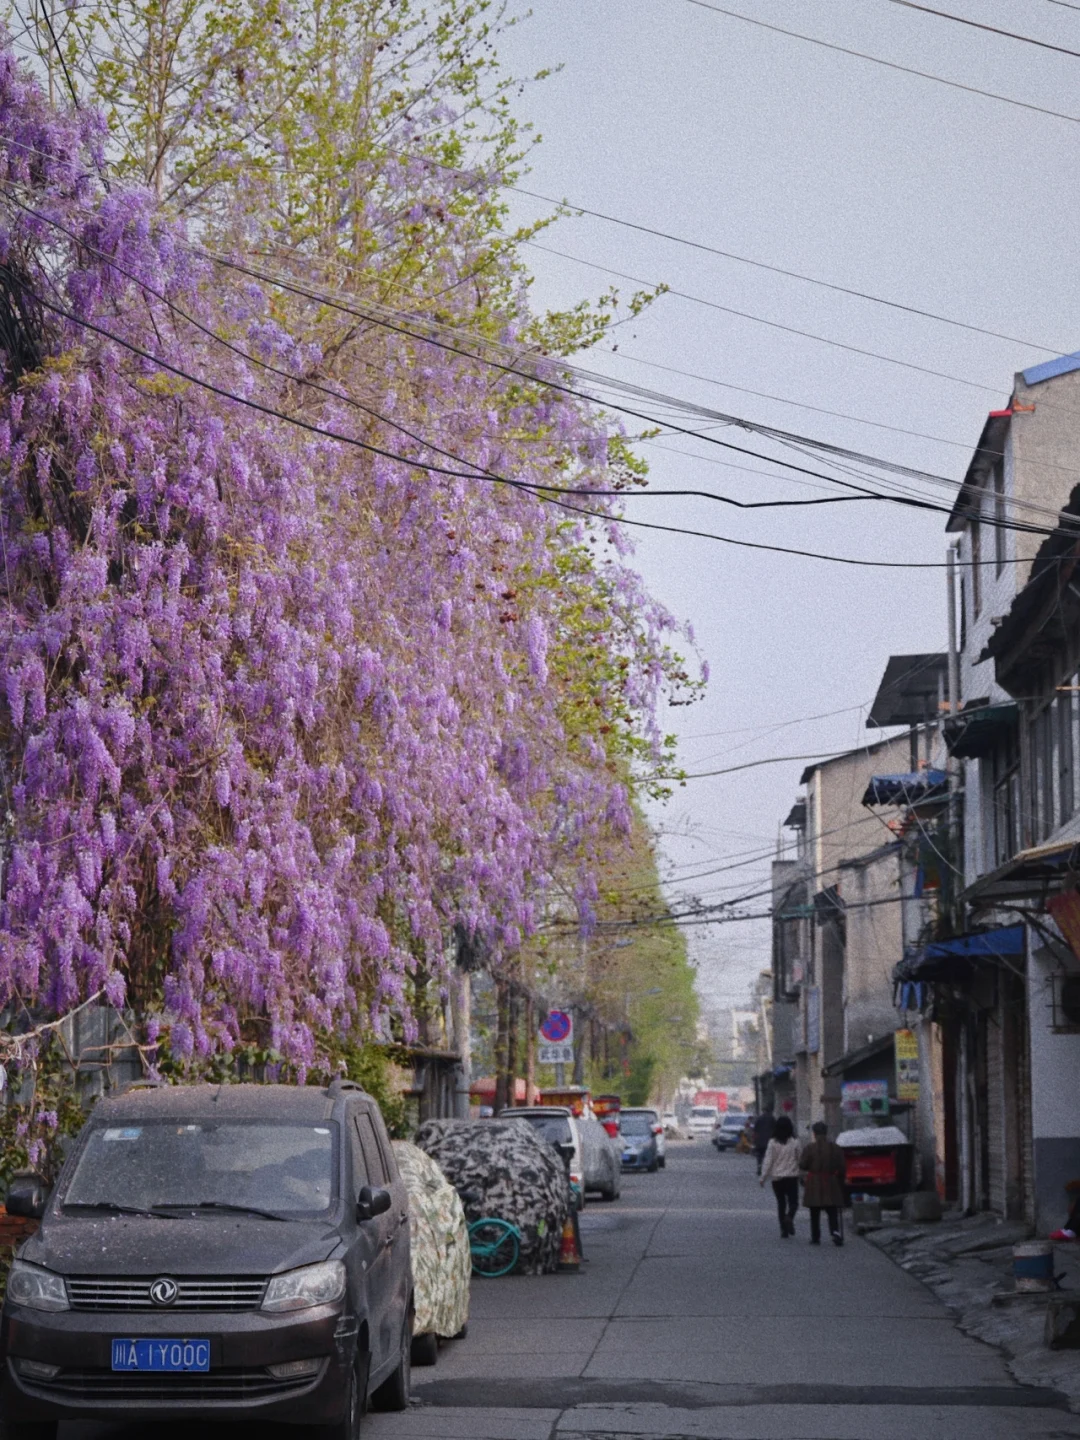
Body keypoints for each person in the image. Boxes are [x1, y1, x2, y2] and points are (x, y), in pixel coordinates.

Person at [799, 1120, 845, 1247]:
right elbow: (842, 1167)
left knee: (814, 1210)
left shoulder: (809, 1148)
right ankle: (835, 1231)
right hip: (830, 1180)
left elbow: (803, 1165)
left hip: (814, 1181)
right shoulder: (835, 1148)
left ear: (814, 1134)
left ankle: (815, 1236)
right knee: (832, 1209)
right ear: (826, 1133)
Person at [759, 1113, 800, 1237]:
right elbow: (800, 1158)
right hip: (792, 1177)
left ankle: (783, 1230)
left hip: (777, 1178)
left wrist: (763, 1177)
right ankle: (789, 1217)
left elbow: (768, 1160)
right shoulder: (795, 1142)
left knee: (781, 1203)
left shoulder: (772, 1142)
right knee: (794, 1203)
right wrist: (803, 1173)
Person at [752, 1106, 776, 1176]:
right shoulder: (772, 1118)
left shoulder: (759, 1118)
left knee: (759, 1155)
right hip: (769, 1141)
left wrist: (755, 1140)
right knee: (768, 1156)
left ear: (763, 1111)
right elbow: (775, 1129)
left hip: (759, 1141)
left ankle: (759, 1167)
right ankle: (767, 1169)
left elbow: (755, 1130)